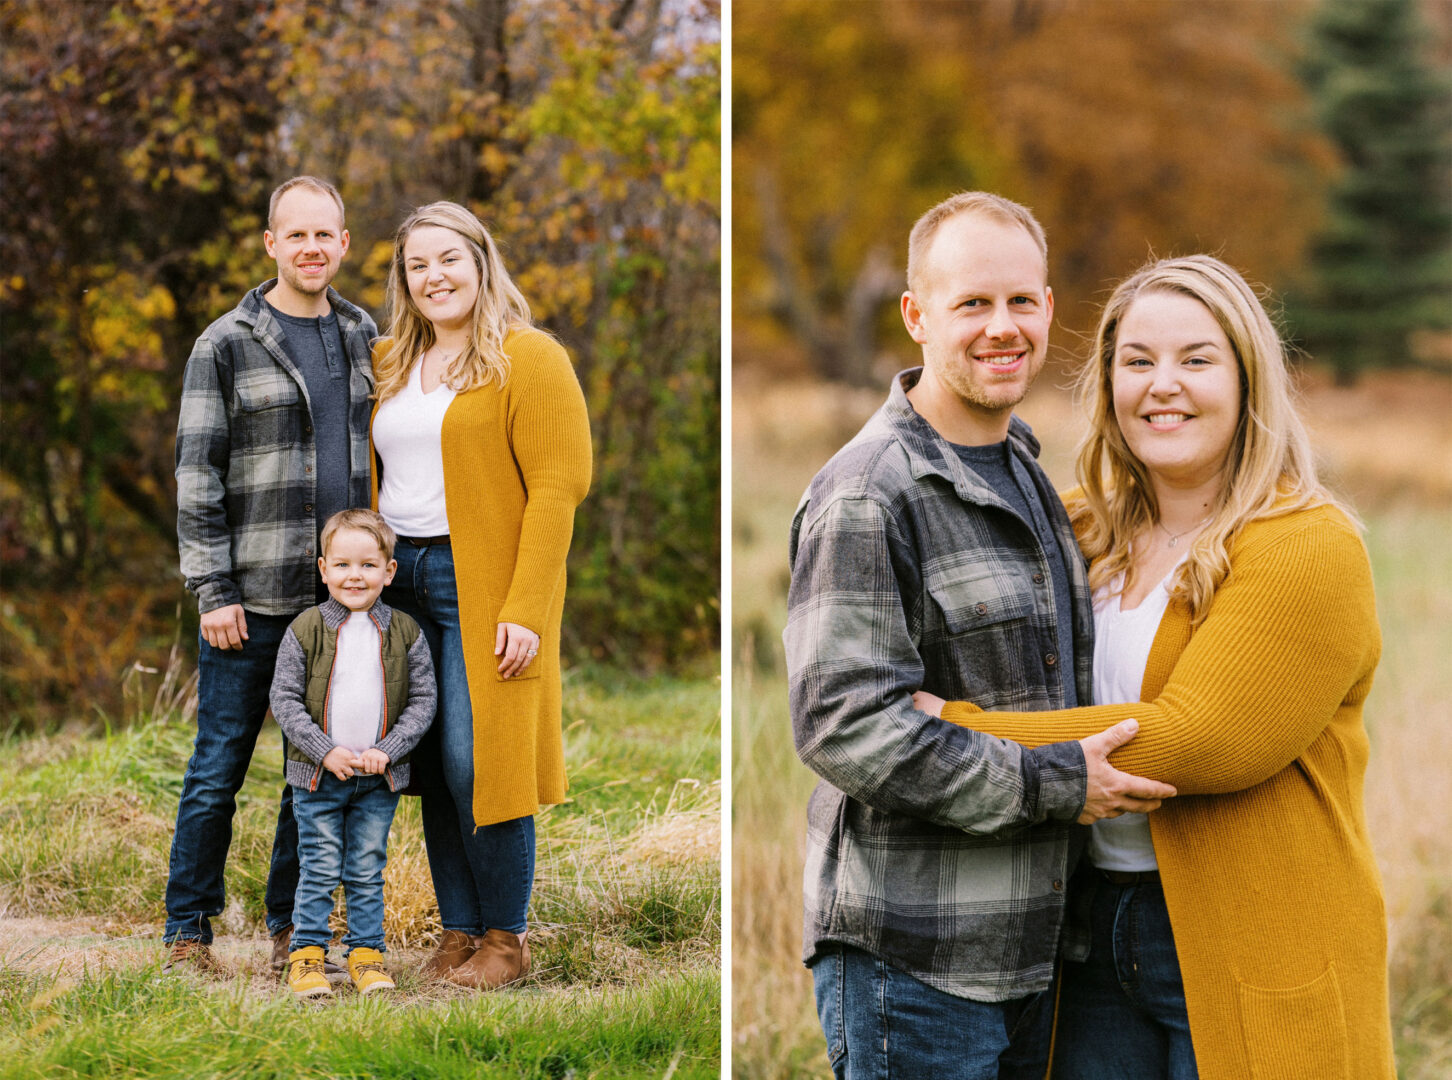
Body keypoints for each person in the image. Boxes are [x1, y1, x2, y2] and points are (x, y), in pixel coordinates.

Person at [914, 254, 1394, 1079]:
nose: (1162, 385)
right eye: (1137, 362)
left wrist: (953, 732)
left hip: (1256, 939)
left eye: (1196, 360)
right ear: (1109, 386)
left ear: (1249, 382)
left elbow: (1198, 741)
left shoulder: (1308, 544)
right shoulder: (1077, 531)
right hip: (1088, 937)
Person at [783, 191, 1174, 1080]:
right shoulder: (868, 493)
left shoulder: (1029, 472)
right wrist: (1054, 780)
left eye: (1022, 301)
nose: (1004, 327)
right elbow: (845, 726)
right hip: (916, 962)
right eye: (972, 304)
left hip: (1038, 955)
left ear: (1047, 308)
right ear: (917, 316)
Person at [370, 201, 592, 990]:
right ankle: (456, 934)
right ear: (404, 281)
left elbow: (560, 486)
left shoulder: (527, 359)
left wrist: (526, 607)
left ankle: (507, 938)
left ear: (481, 261)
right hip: (401, 586)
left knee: (479, 760)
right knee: (432, 762)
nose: (435, 277)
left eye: (448, 259)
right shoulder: (392, 360)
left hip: (482, 580)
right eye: (417, 265)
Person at [168, 176, 379, 976]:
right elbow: (196, 478)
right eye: (296, 237)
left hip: (334, 608)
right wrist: (213, 592)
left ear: (344, 244)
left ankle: (291, 928)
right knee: (217, 770)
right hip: (247, 604)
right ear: (271, 244)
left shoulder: (365, 337)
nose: (312, 249)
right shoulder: (224, 343)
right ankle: (187, 929)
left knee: (310, 777)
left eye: (325, 236)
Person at [268, 509, 436, 999]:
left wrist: (390, 750)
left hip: (377, 778)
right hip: (318, 777)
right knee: (317, 867)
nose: (354, 576)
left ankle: (366, 956)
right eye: (342, 565)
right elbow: (285, 700)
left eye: (367, 565)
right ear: (323, 569)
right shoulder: (306, 628)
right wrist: (324, 751)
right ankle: (307, 958)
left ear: (389, 571)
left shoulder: (406, 632)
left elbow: (424, 700)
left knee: (366, 868)